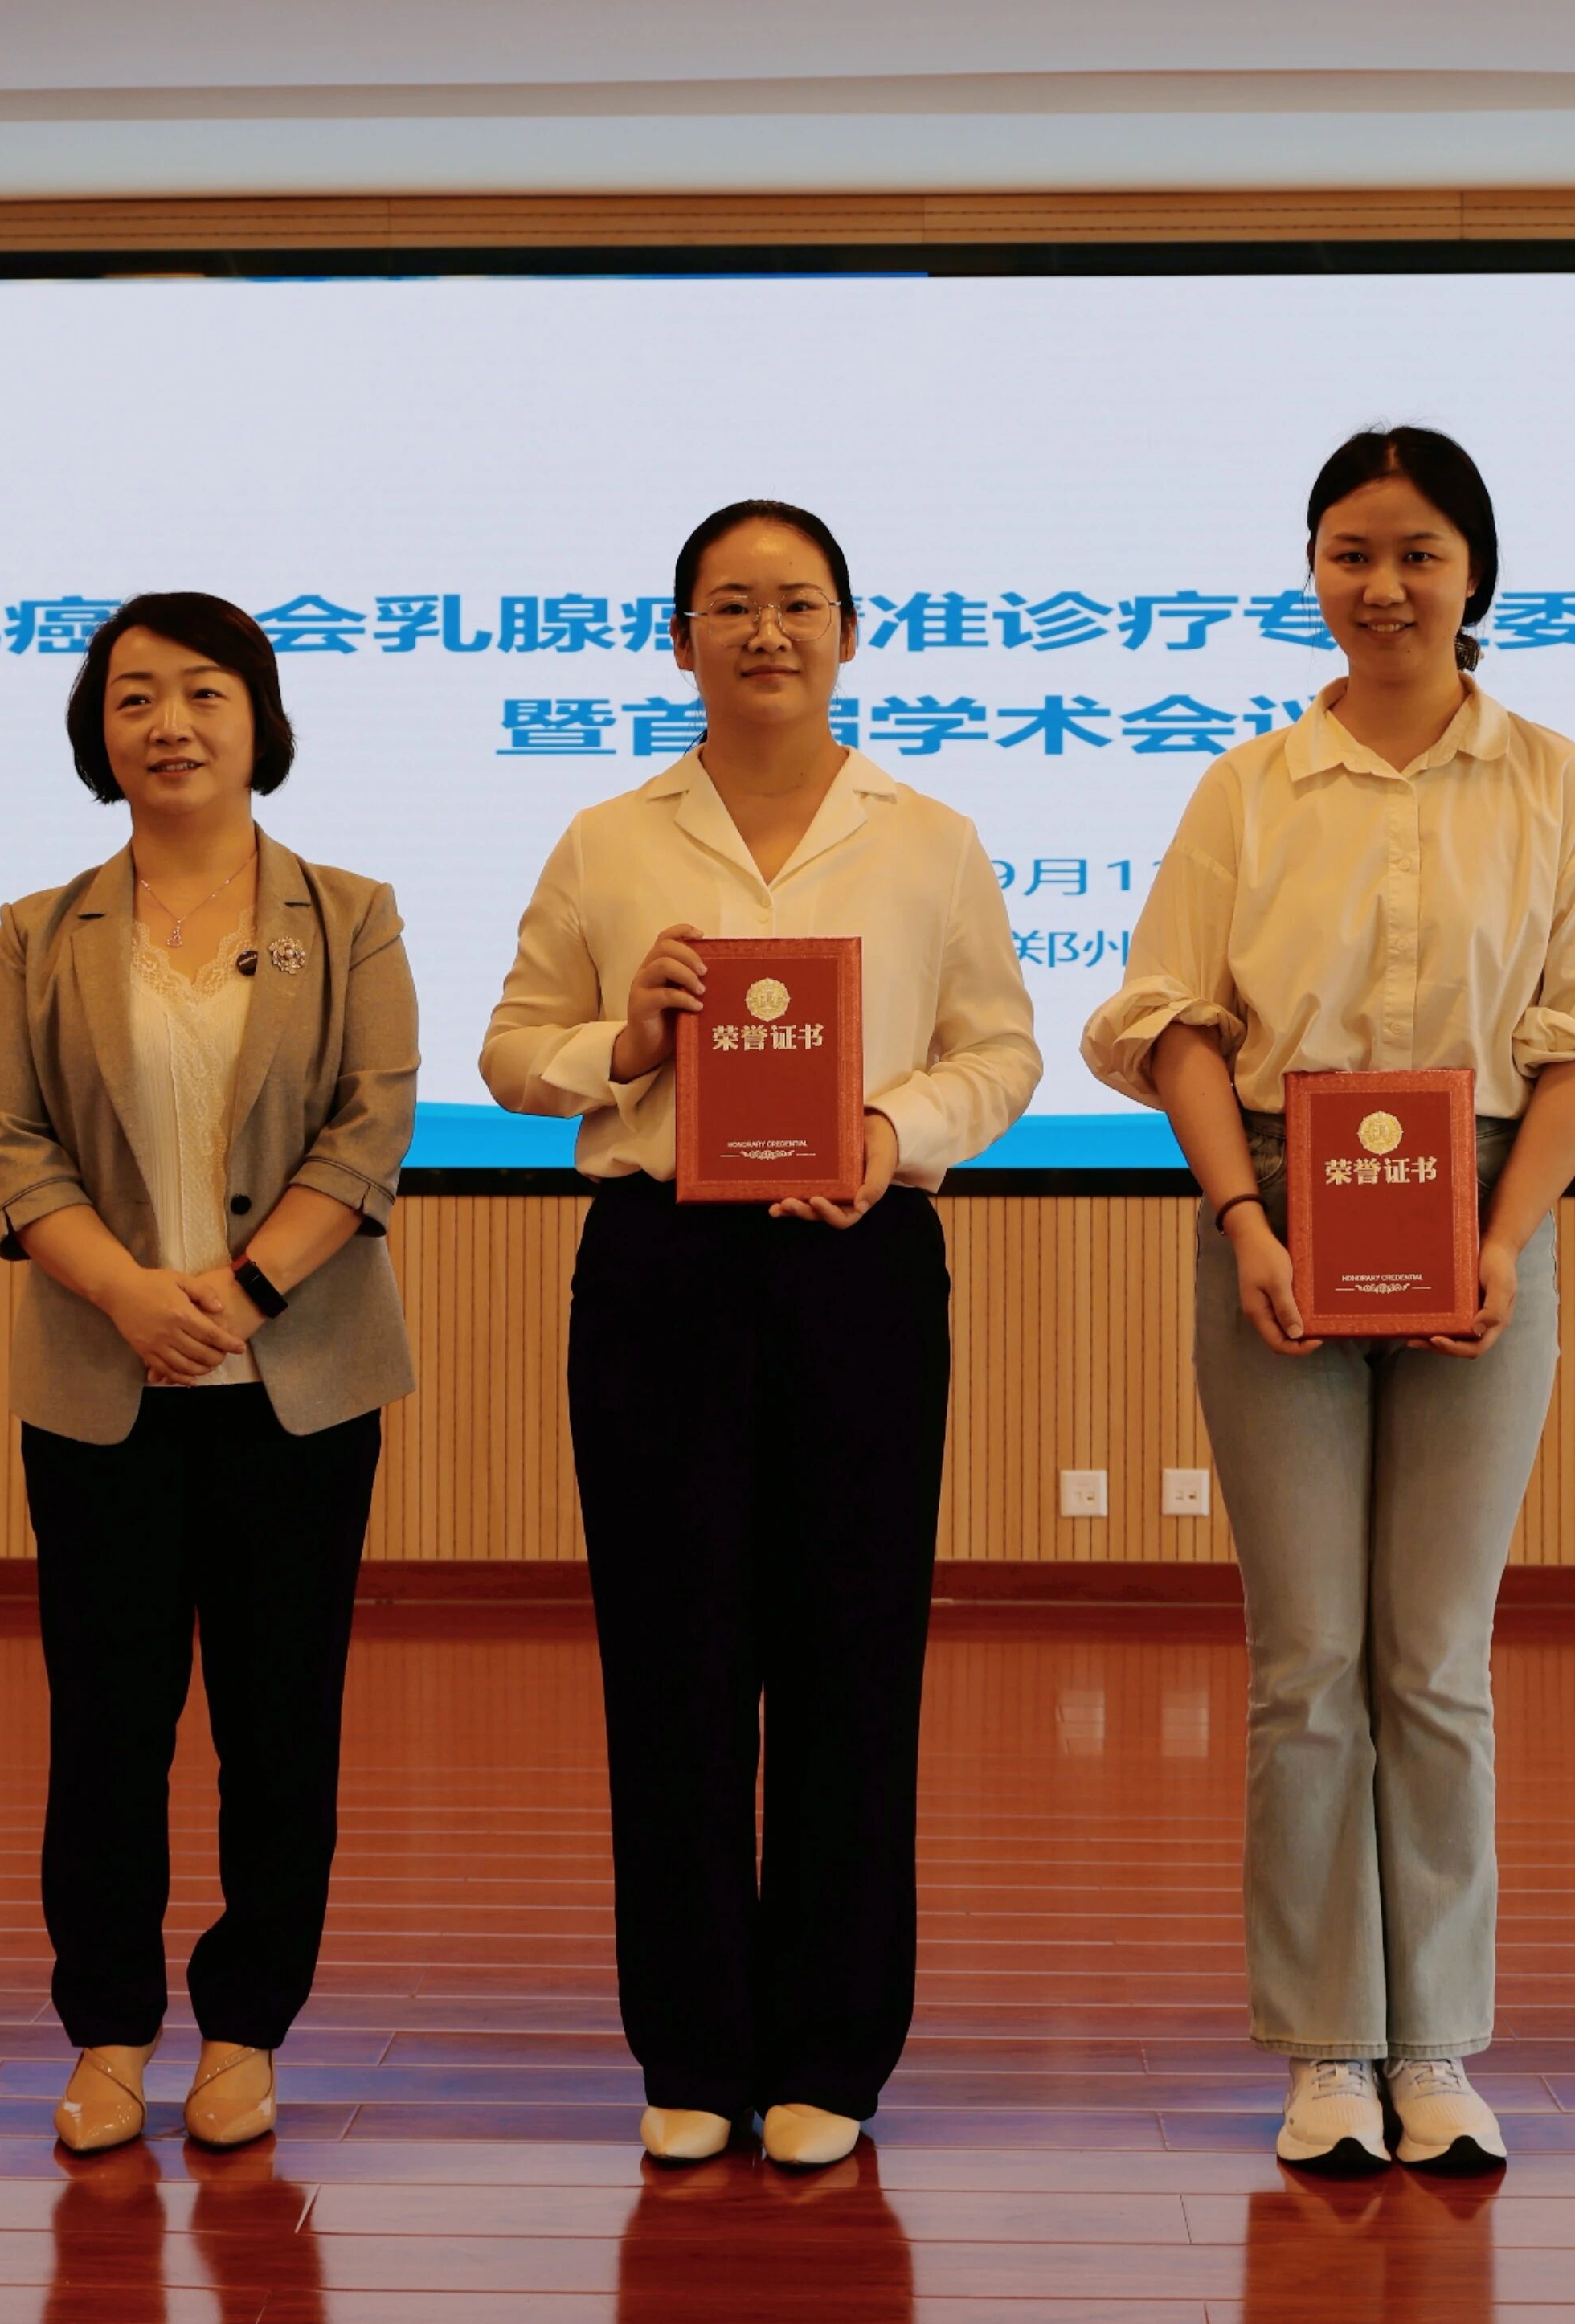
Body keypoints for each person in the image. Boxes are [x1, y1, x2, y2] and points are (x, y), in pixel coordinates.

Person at [1082, 428, 1575, 2175]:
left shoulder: (1558, 784)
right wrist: (1241, 1216)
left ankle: (1436, 2042)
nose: (1383, 585)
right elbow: (1172, 1021)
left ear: (1475, 572)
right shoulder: (1249, 788)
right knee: (1307, 1660)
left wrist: (1504, 1237)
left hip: (1486, 1210)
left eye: (1417, 552)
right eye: (1350, 552)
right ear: (1312, 572)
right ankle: (1326, 2046)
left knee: (1432, 1657)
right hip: (1275, 1209)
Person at [481, 499, 1041, 2170]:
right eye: (730, 604)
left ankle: (831, 2050)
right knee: (671, 1662)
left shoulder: (928, 837)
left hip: (859, 1263)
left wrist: (889, 1129)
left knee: (853, 1658)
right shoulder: (607, 839)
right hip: (661, 1267)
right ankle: (692, 2045)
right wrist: (622, 1044)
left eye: (798, 602)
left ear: (851, 633)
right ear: (679, 640)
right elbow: (512, 1049)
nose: (766, 632)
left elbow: (1001, 1051)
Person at [0, 591, 419, 2156]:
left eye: (204, 691)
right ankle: (106, 2032)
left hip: (299, 1387)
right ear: (98, 732)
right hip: (101, 1389)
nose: (169, 723)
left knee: (280, 1726)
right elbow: (10, 1138)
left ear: (259, 719)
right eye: (135, 696)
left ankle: (246, 2028)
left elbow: (369, 1126)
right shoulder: (39, 930)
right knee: (107, 1726)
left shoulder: (349, 914)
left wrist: (236, 1294)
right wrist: (125, 1295)